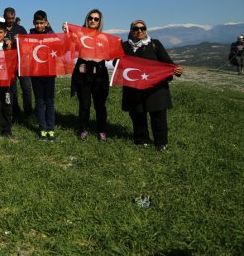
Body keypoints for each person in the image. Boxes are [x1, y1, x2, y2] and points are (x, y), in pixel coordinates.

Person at [121, 20, 183, 151]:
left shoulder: (155, 44)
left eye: (142, 28)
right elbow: (118, 64)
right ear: (131, 31)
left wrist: (176, 70)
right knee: (138, 114)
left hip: (156, 88)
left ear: (146, 30)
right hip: (135, 87)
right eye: (136, 28)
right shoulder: (124, 46)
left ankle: (161, 143)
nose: (139, 31)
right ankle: (141, 140)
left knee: (158, 115)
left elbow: (167, 62)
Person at [69, 9, 110, 141]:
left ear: (100, 22)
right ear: (87, 19)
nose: (93, 21)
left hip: (100, 73)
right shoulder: (79, 35)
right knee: (84, 104)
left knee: (100, 104)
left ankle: (101, 130)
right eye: (90, 18)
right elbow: (70, 47)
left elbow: (109, 56)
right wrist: (67, 32)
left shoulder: (104, 37)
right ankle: (83, 129)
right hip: (83, 71)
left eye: (96, 19)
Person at [30, 10, 57, 142]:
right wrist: (18, 40)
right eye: (37, 23)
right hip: (35, 74)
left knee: (50, 102)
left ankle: (51, 129)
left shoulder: (52, 35)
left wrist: (67, 33)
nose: (39, 26)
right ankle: (42, 129)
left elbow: (61, 48)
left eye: (41, 23)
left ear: (46, 22)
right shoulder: (30, 36)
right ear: (33, 23)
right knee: (40, 102)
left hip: (49, 73)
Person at [3, 7, 33, 122]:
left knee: (26, 87)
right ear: (4, 17)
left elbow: (28, 44)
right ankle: (15, 112)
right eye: (9, 18)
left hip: (22, 63)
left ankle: (28, 112)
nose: (11, 20)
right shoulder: (1, 27)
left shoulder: (20, 29)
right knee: (12, 89)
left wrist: (20, 40)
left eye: (13, 18)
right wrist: (5, 40)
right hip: (9, 64)